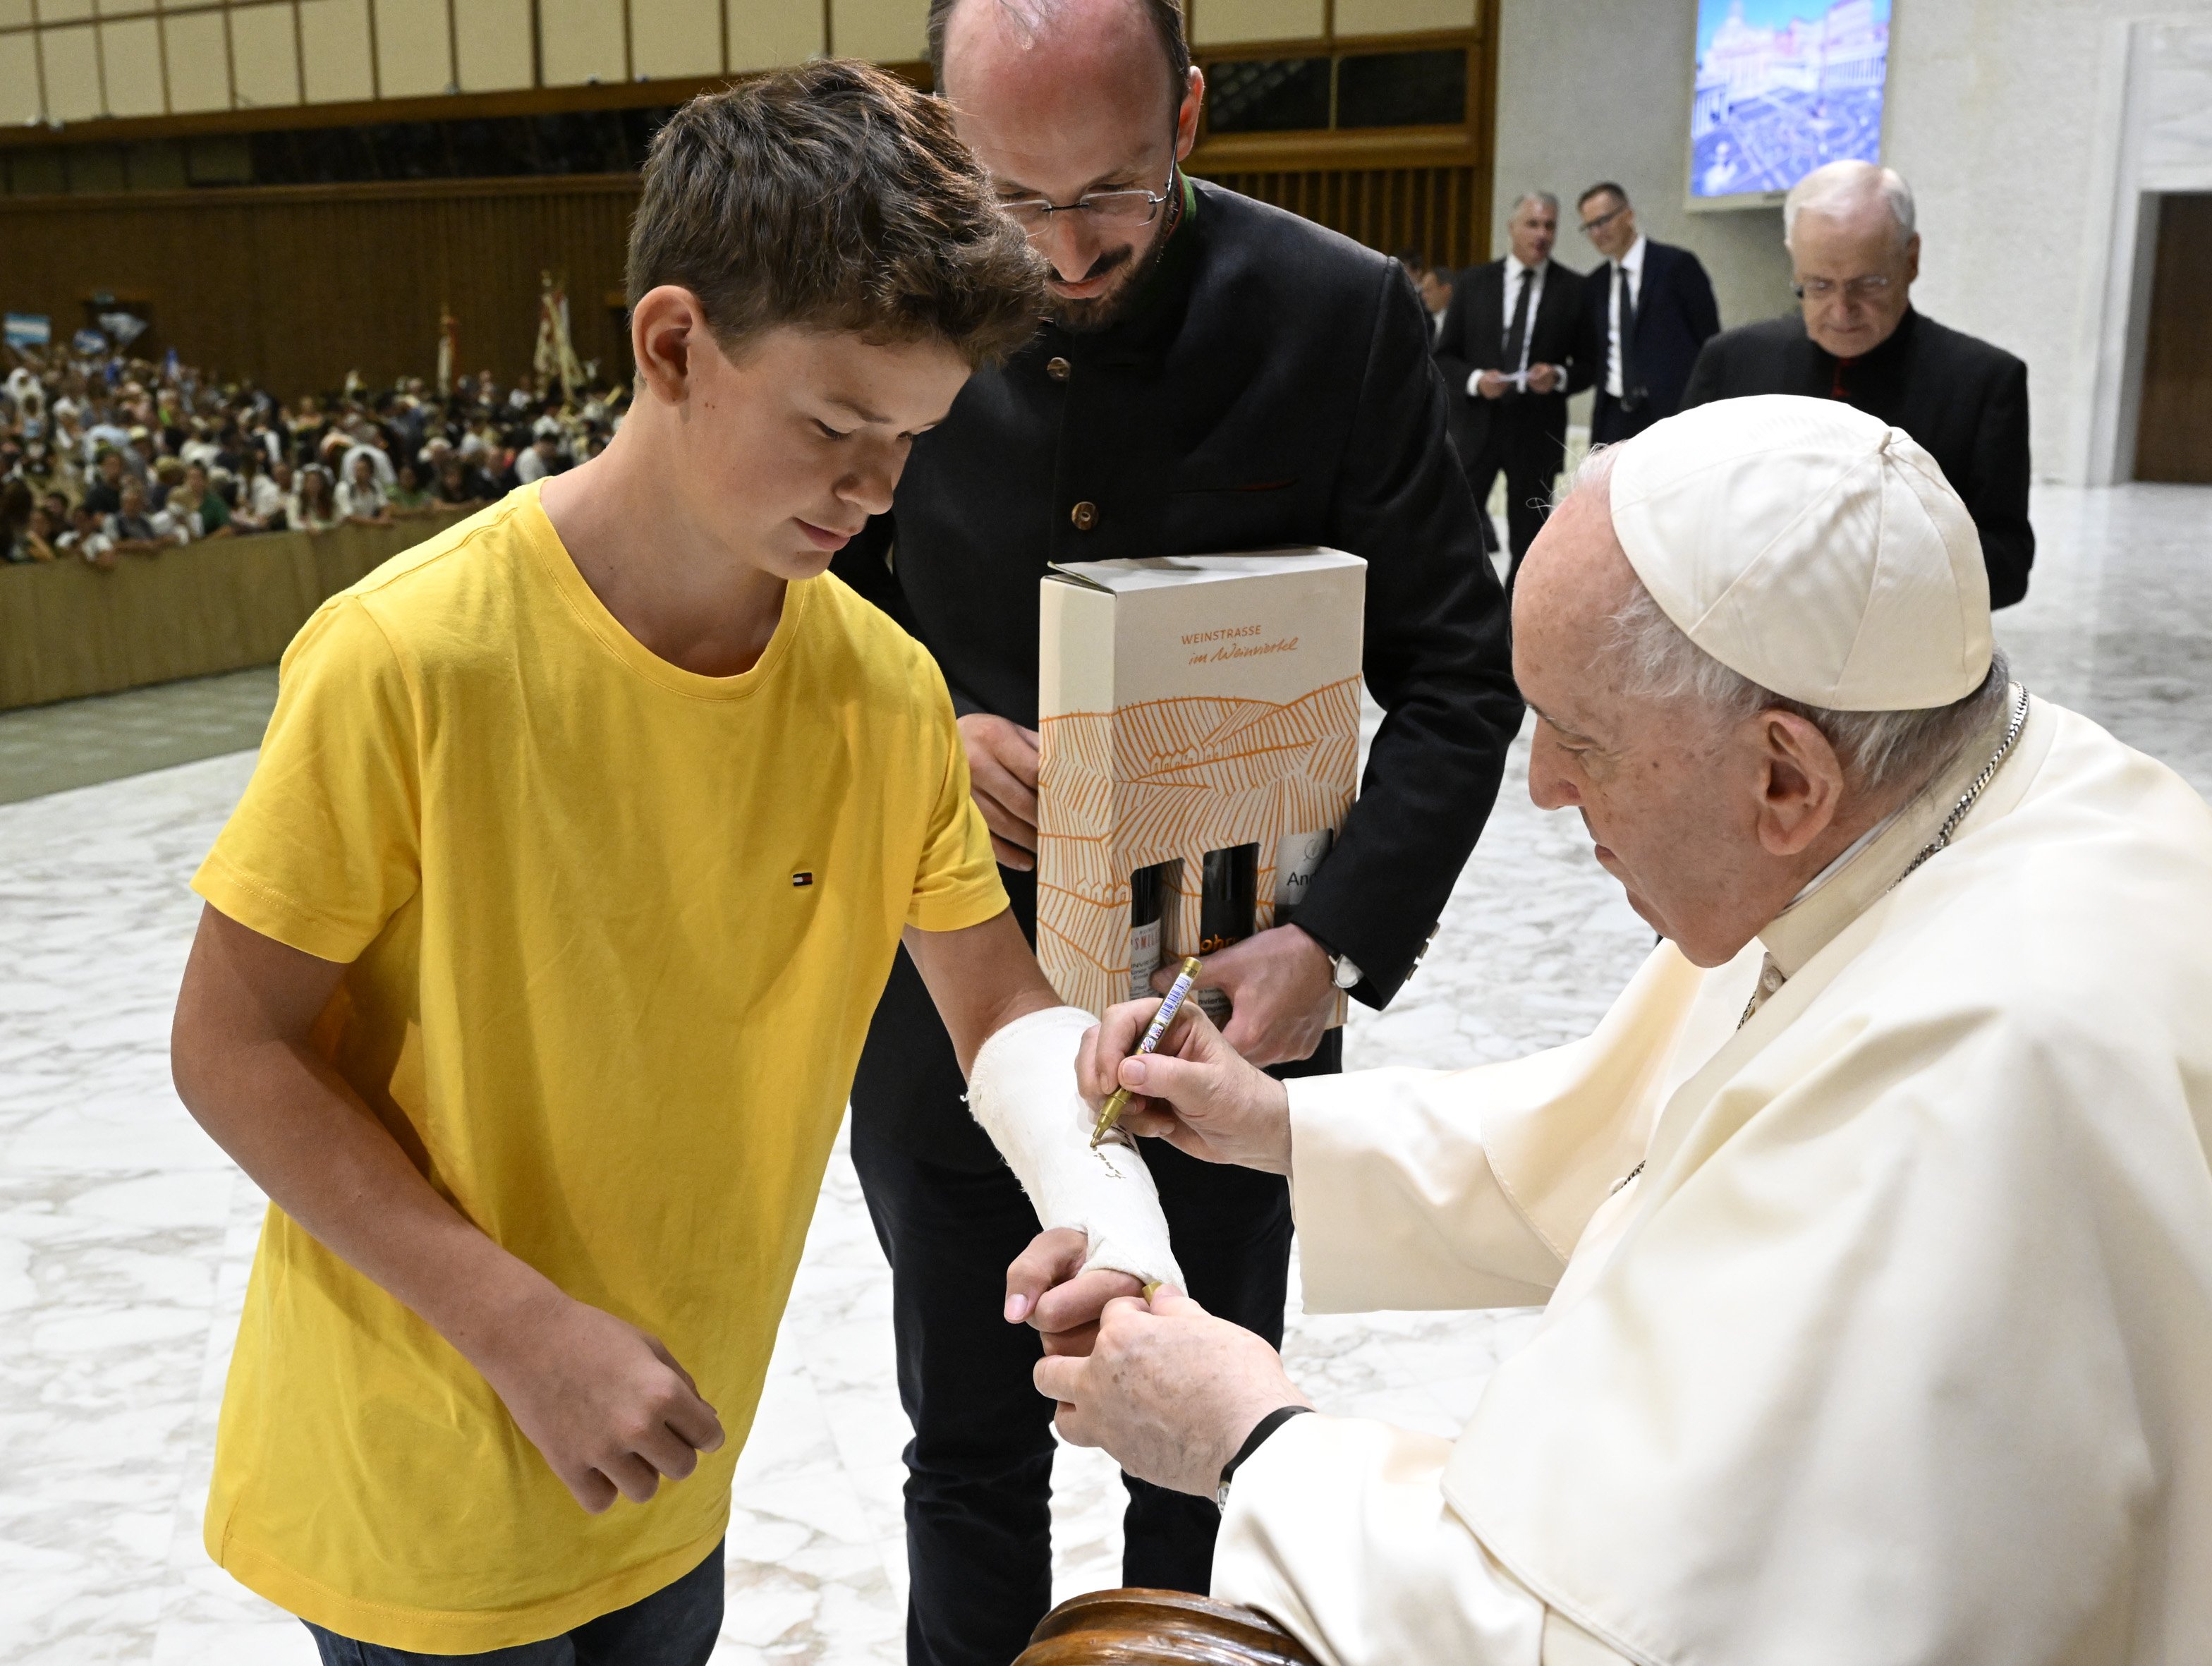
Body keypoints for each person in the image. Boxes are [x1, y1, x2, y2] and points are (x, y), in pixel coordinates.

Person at [1021, 396, 2212, 1665]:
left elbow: (1622, 1636)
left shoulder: (1983, 1069)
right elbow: (1657, 1135)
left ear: (1783, 772)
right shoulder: (1980, 798)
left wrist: (1249, 1432)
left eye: (1574, 737)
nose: (1540, 790)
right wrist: (1278, 1124)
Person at [162, 62, 1184, 1665]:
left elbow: (995, 1008)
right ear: (671, 344)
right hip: (427, 1466)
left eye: (909, 440)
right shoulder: (412, 659)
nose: (873, 490)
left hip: (669, 1448)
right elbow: (228, 1044)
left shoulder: (879, 687)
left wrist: (1103, 1200)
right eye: (835, 425)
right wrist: (520, 1328)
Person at [825, 2, 1520, 1660]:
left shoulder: (1337, 315)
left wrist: (1332, 938)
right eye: (1016, 201)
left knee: (1205, 1446)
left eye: (1114, 194)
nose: (1066, 257)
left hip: (1225, 996)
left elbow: (1459, 672)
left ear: (1191, 112)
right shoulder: (876, 307)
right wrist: (921, 718)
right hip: (951, 985)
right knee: (972, 1445)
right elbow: (797, 604)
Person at [1682, 161, 2035, 608]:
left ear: (1911, 259)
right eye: (1818, 285)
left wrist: (1871, 562)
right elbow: (1676, 508)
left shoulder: (1983, 381)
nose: (1841, 310)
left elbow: (2008, 565)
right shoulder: (1731, 362)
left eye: (1869, 284)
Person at [1435, 192, 1584, 588]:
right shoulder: (1474, 283)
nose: (1542, 234)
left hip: (1536, 433)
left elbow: (1588, 366)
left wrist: (1557, 376)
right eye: (1533, 224)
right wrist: (1475, 381)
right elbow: (1444, 356)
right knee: (1456, 530)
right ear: (1512, 228)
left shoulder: (1573, 289)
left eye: (1550, 226)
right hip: (1476, 430)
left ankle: (1517, 625)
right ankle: (1461, 609)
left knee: (1530, 542)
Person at [1570, 182, 1718, 446]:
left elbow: (1709, 342)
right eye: (1589, 227)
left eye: (1603, 221)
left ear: (1628, 214)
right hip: (1615, 415)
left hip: (1671, 412)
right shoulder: (1595, 285)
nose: (1597, 233)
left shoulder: (1677, 266)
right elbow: (1596, 354)